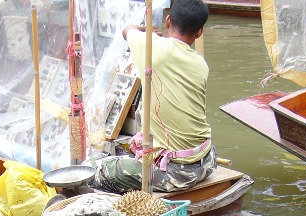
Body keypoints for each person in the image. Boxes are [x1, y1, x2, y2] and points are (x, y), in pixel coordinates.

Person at [86, 0, 216, 195]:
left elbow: (126, 30)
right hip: (207, 159)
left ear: (169, 21)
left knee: (90, 170)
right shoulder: (201, 64)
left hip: (177, 173)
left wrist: (142, 30)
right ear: (200, 32)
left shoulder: (151, 47)